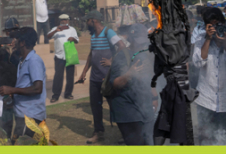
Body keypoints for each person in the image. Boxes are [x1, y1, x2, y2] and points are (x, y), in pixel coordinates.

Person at [192, 7, 226, 145]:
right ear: (206, 26)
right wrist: (208, 40)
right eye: (211, 25)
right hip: (206, 100)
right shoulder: (200, 39)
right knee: (206, 141)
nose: (215, 28)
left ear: (223, 22)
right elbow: (198, 62)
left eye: (217, 24)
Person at [76, 10, 126, 144]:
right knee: (95, 107)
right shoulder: (93, 36)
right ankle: (98, 133)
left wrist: (113, 62)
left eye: (88, 20)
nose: (86, 23)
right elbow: (91, 55)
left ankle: (125, 133)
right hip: (94, 78)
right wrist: (84, 72)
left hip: (108, 78)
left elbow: (122, 46)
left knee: (114, 105)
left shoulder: (108, 32)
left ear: (94, 20)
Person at [108, 24, 157, 145]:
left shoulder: (145, 54)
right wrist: (130, 74)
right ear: (130, 38)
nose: (141, 45)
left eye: (143, 41)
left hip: (144, 107)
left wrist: (154, 97)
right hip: (127, 110)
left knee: (149, 143)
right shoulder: (122, 56)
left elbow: (149, 78)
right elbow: (115, 83)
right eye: (138, 41)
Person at [0, 27, 46, 140]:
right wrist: (12, 96)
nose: (14, 43)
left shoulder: (34, 60)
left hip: (31, 117)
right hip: (22, 114)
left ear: (23, 43)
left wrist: (12, 90)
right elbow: (24, 86)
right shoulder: (22, 61)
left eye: (17, 40)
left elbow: (38, 88)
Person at [47, 14, 79, 103]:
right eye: (62, 20)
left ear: (68, 20)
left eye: (65, 20)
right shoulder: (55, 28)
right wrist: (55, 31)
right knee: (58, 76)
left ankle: (68, 93)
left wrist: (73, 38)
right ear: (59, 21)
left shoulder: (72, 29)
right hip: (59, 56)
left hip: (70, 56)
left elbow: (77, 40)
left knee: (70, 76)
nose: (63, 21)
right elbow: (48, 37)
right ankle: (55, 95)